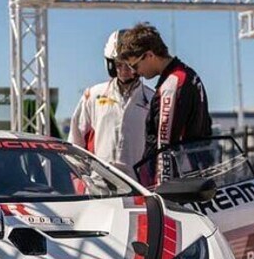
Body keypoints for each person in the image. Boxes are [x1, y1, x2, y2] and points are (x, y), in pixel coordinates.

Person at [116, 22, 212, 185]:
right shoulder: (188, 73)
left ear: (149, 55)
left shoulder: (172, 84)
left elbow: (164, 147)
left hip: (179, 181)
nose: (134, 72)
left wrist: (160, 189)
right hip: (195, 171)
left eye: (134, 65)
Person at [68, 29, 152, 176]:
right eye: (119, 65)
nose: (124, 70)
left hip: (137, 183)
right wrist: (79, 173)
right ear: (111, 64)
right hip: (99, 182)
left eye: (129, 65)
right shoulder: (93, 95)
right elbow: (76, 139)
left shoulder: (152, 99)